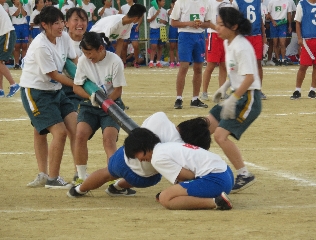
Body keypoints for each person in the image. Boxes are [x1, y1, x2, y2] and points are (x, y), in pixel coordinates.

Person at [67, 111, 212, 198]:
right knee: (155, 171)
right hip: (143, 179)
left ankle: (79, 190)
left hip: (124, 158)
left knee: (107, 173)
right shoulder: (179, 147)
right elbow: (180, 175)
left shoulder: (159, 116)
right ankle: (116, 187)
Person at [26, 7, 89, 188]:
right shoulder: (40, 45)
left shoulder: (64, 38)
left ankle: (80, 173)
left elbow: (73, 61)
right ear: (44, 25)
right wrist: (78, 85)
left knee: (76, 129)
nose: (61, 26)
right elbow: (53, 74)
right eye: (56, 23)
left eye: (62, 21)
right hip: (37, 91)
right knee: (58, 133)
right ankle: (52, 178)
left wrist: (83, 77)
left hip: (55, 90)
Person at [208, 7, 262, 193]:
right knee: (206, 125)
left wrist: (233, 99)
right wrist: (224, 87)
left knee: (220, 136)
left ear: (234, 26)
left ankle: (244, 174)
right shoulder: (228, 43)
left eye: (221, 25)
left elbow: (249, 78)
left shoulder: (242, 46)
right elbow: (235, 72)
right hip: (236, 93)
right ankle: (201, 168)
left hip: (248, 98)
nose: (217, 28)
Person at [124, 128, 233, 210]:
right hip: (227, 174)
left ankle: (217, 202)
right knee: (170, 193)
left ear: (142, 146)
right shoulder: (166, 146)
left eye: (136, 154)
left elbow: (188, 176)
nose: (139, 159)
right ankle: (218, 198)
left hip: (217, 180)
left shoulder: (157, 158)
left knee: (165, 198)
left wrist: (172, 193)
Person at [72, 32, 127, 185]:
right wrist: (91, 98)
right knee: (80, 135)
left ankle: (113, 177)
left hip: (112, 105)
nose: (87, 57)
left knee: (109, 139)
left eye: (90, 53)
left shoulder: (115, 61)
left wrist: (105, 103)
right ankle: (81, 176)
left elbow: (117, 90)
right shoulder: (83, 60)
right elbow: (76, 87)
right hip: (89, 105)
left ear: (101, 48)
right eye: (84, 53)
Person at [170, 0, 212, 109]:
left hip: (199, 36)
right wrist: (189, 23)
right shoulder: (181, 2)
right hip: (185, 36)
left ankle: (195, 99)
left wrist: (201, 24)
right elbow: (173, 22)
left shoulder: (206, 2)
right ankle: (179, 98)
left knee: (198, 68)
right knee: (184, 67)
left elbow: (208, 22)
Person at [232, 0, 267, 100]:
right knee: (241, 64)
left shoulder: (257, 2)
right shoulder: (236, 2)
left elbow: (260, 19)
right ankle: (241, 89)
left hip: (256, 35)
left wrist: (264, 36)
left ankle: (258, 90)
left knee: (258, 63)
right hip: (243, 36)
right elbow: (234, 20)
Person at [290, 0, 316, 100]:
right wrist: (299, 38)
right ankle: (297, 90)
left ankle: (313, 90)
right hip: (307, 40)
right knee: (303, 66)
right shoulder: (302, 4)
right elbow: (297, 22)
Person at [200, 0, 230, 101]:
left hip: (225, 36)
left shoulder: (227, 3)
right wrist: (217, 28)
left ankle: (222, 92)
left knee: (223, 65)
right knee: (211, 65)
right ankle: (204, 92)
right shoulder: (209, 2)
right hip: (214, 35)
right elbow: (206, 21)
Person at [0, 4, 21, 98]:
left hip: (6, 34)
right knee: (0, 62)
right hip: (4, 34)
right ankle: (0, 90)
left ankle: (13, 84)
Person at [267, 0, 292, 66]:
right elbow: (268, 14)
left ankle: (283, 59)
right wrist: (273, 21)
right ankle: (278, 59)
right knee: (275, 43)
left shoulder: (287, 2)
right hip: (274, 24)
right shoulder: (271, 2)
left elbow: (289, 13)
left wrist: (289, 25)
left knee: (282, 43)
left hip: (283, 23)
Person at [121, 0, 143, 68]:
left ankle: (136, 62)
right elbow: (120, 17)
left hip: (134, 28)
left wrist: (138, 26)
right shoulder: (123, 7)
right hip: (126, 27)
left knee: (135, 45)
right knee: (124, 45)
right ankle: (124, 62)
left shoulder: (137, 7)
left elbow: (141, 17)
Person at [147, 0, 168, 68]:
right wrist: (156, 14)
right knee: (154, 46)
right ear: (158, 2)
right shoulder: (151, 9)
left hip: (162, 29)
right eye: (163, 1)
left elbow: (166, 22)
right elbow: (149, 20)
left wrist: (162, 21)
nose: (164, 3)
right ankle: (151, 62)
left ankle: (158, 62)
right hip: (154, 29)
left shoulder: (164, 11)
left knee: (160, 46)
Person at [9, 0, 29, 70]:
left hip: (24, 27)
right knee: (17, 46)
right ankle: (17, 63)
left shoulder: (25, 6)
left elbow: (24, 14)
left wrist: (21, 6)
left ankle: (23, 63)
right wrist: (20, 6)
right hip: (16, 27)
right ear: (13, 1)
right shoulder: (11, 8)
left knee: (24, 46)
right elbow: (16, 14)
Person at [167, 0, 179, 68]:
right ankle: (172, 62)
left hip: (179, 28)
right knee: (172, 46)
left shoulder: (180, 9)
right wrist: (173, 7)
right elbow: (170, 13)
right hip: (172, 28)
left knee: (178, 46)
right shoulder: (169, 10)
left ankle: (178, 61)